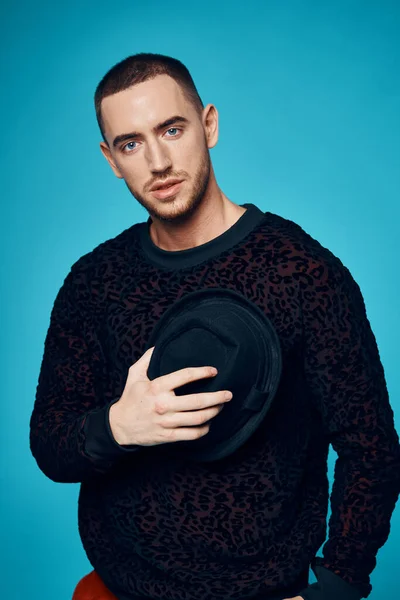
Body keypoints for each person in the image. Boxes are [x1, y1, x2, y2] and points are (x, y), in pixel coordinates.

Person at [29, 53, 400, 600]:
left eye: (171, 129)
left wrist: (338, 587)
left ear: (209, 125)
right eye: (131, 143)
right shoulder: (93, 282)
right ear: (111, 160)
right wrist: (117, 427)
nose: (157, 161)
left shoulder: (302, 271)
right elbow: (48, 443)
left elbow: (371, 447)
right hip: (117, 588)